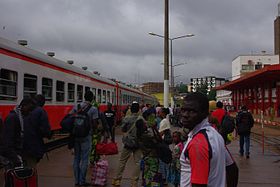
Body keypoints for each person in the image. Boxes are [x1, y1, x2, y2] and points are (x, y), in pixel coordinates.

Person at [179, 92, 226, 187]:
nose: (185, 115)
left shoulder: (198, 144)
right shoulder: (215, 135)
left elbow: (199, 184)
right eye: (183, 110)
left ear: (205, 113)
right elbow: (232, 168)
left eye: (192, 111)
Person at [112, 102, 144, 187]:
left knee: (122, 161)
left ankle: (117, 180)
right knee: (138, 163)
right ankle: (134, 182)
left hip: (128, 143)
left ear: (131, 109)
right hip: (138, 143)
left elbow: (123, 129)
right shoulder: (141, 119)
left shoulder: (126, 119)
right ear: (138, 110)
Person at [70, 91, 98, 186]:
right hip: (86, 136)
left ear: (84, 97)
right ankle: (82, 181)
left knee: (76, 158)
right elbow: (94, 125)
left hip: (76, 136)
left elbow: (71, 117)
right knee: (85, 159)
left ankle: (76, 181)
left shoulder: (76, 106)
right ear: (92, 99)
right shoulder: (93, 109)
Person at [0, 98, 36, 167]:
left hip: (16, 154)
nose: (29, 112)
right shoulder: (12, 118)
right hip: (13, 156)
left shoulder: (19, 117)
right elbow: (7, 142)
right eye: (29, 109)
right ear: (23, 106)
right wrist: (15, 158)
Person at [22, 94, 52, 167]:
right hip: (33, 144)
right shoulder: (40, 111)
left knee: (24, 166)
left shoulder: (27, 109)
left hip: (22, 143)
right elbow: (45, 129)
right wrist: (49, 135)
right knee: (31, 169)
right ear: (42, 103)